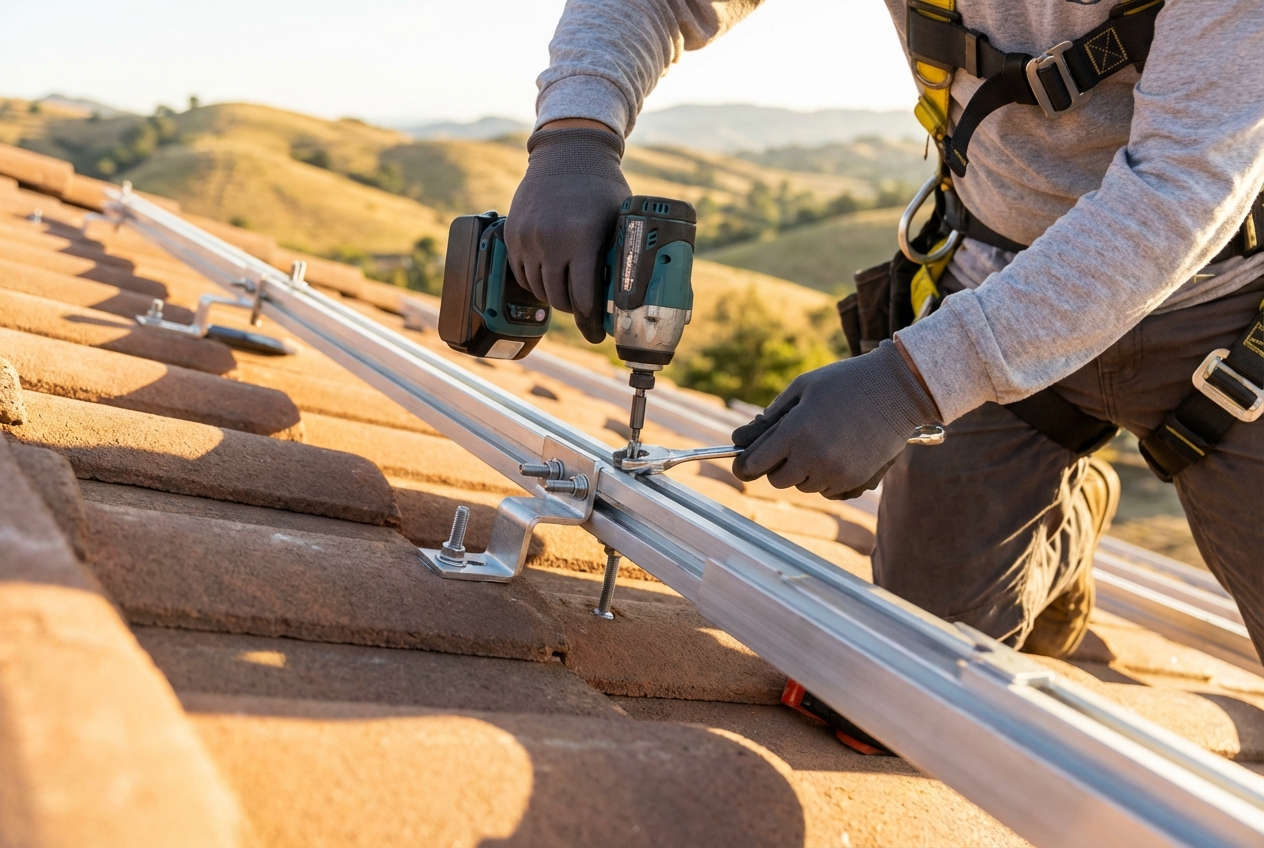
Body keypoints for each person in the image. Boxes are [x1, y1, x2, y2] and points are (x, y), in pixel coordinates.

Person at [505, 0, 1264, 662]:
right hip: (997, 274)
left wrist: (916, 380)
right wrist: (576, 136)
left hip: (1225, 317)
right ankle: (1060, 531)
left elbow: (1179, 187)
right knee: (919, 650)